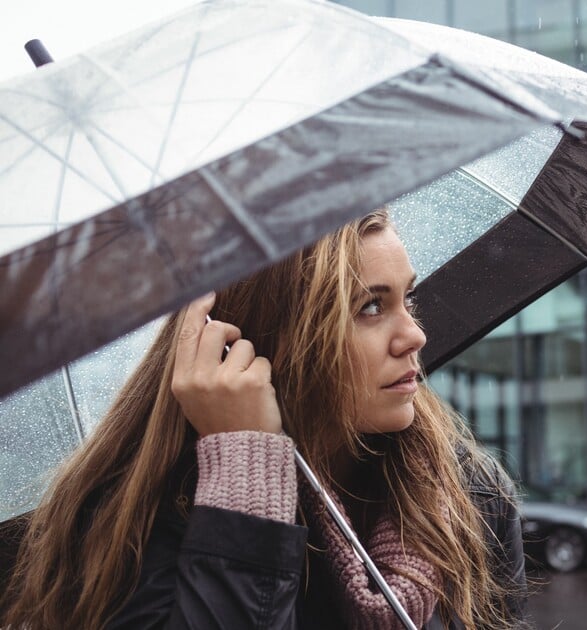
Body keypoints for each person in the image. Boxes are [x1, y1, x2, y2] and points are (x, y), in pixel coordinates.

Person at [0, 210, 527, 630]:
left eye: (406, 298)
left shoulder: (471, 496)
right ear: (268, 340)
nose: (414, 335)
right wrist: (245, 472)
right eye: (370, 307)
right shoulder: (130, 528)